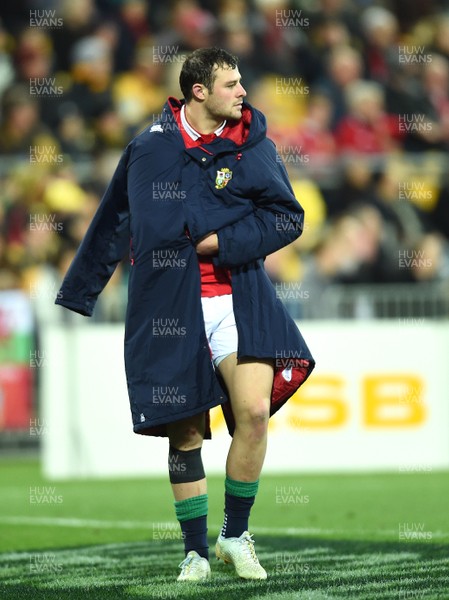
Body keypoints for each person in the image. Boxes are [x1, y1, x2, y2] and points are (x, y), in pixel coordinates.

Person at [55, 47, 314, 582]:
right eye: (231, 84)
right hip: (171, 306)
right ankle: (196, 549)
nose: (243, 92)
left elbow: (288, 217)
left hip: (239, 296)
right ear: (199, 91)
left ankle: (234, 537)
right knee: (186, 436)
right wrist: (83, 290)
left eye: (242, 82)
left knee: (254, 414)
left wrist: (222, 240)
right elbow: (116, 220)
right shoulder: (150, 149)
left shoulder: (253, 146)